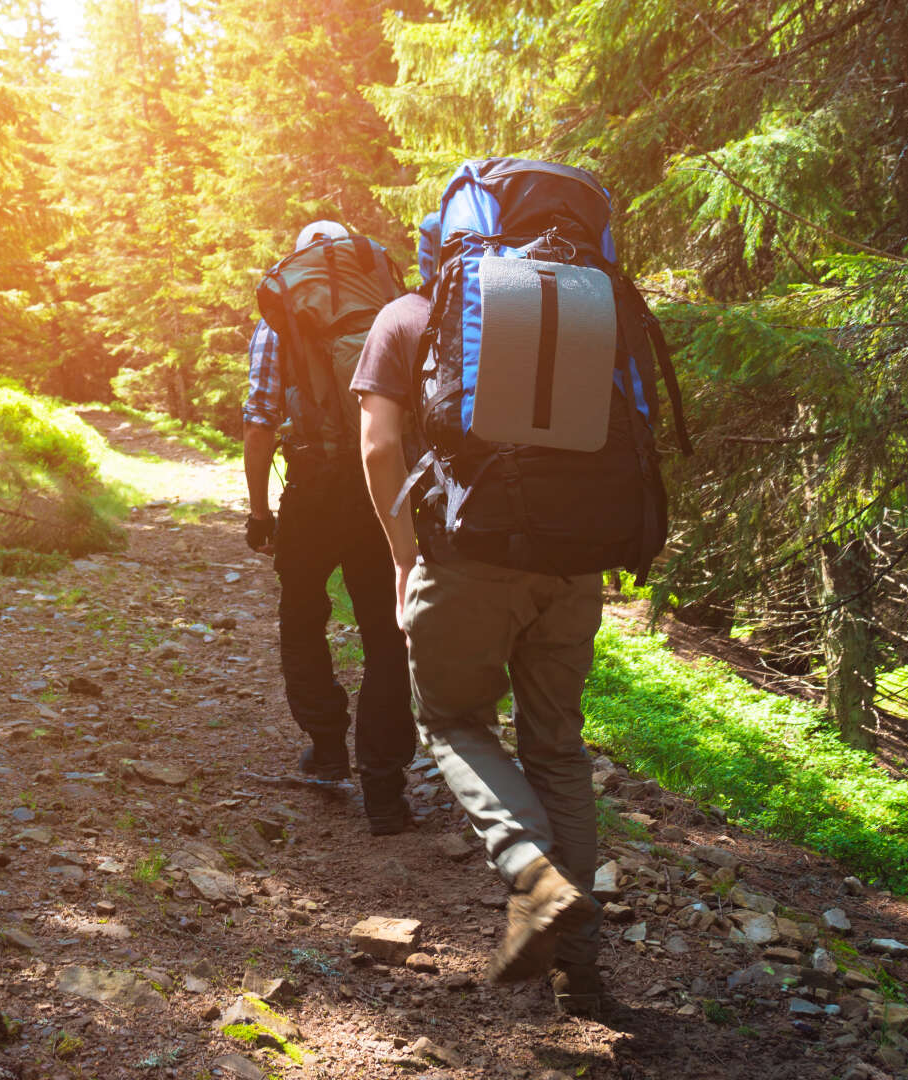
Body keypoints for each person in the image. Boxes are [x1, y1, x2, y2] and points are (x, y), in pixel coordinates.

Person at [351, 218, 606, 1015]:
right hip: (572, 563)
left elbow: (378, 447)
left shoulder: (409, 314)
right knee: (558, 748)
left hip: (467, 558)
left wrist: (400, 555)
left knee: (454, 721)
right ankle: (582, 967)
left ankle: (532, 873)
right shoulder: (589, 309)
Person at [242, 219, 415, 836]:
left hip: (312, 486)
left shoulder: (279, 321)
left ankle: (326, 749)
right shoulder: (391, 311)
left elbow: (261, 421)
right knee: (385, 632)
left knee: (302, 616)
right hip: (377, 489)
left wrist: (260, 509)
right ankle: (386, 790)